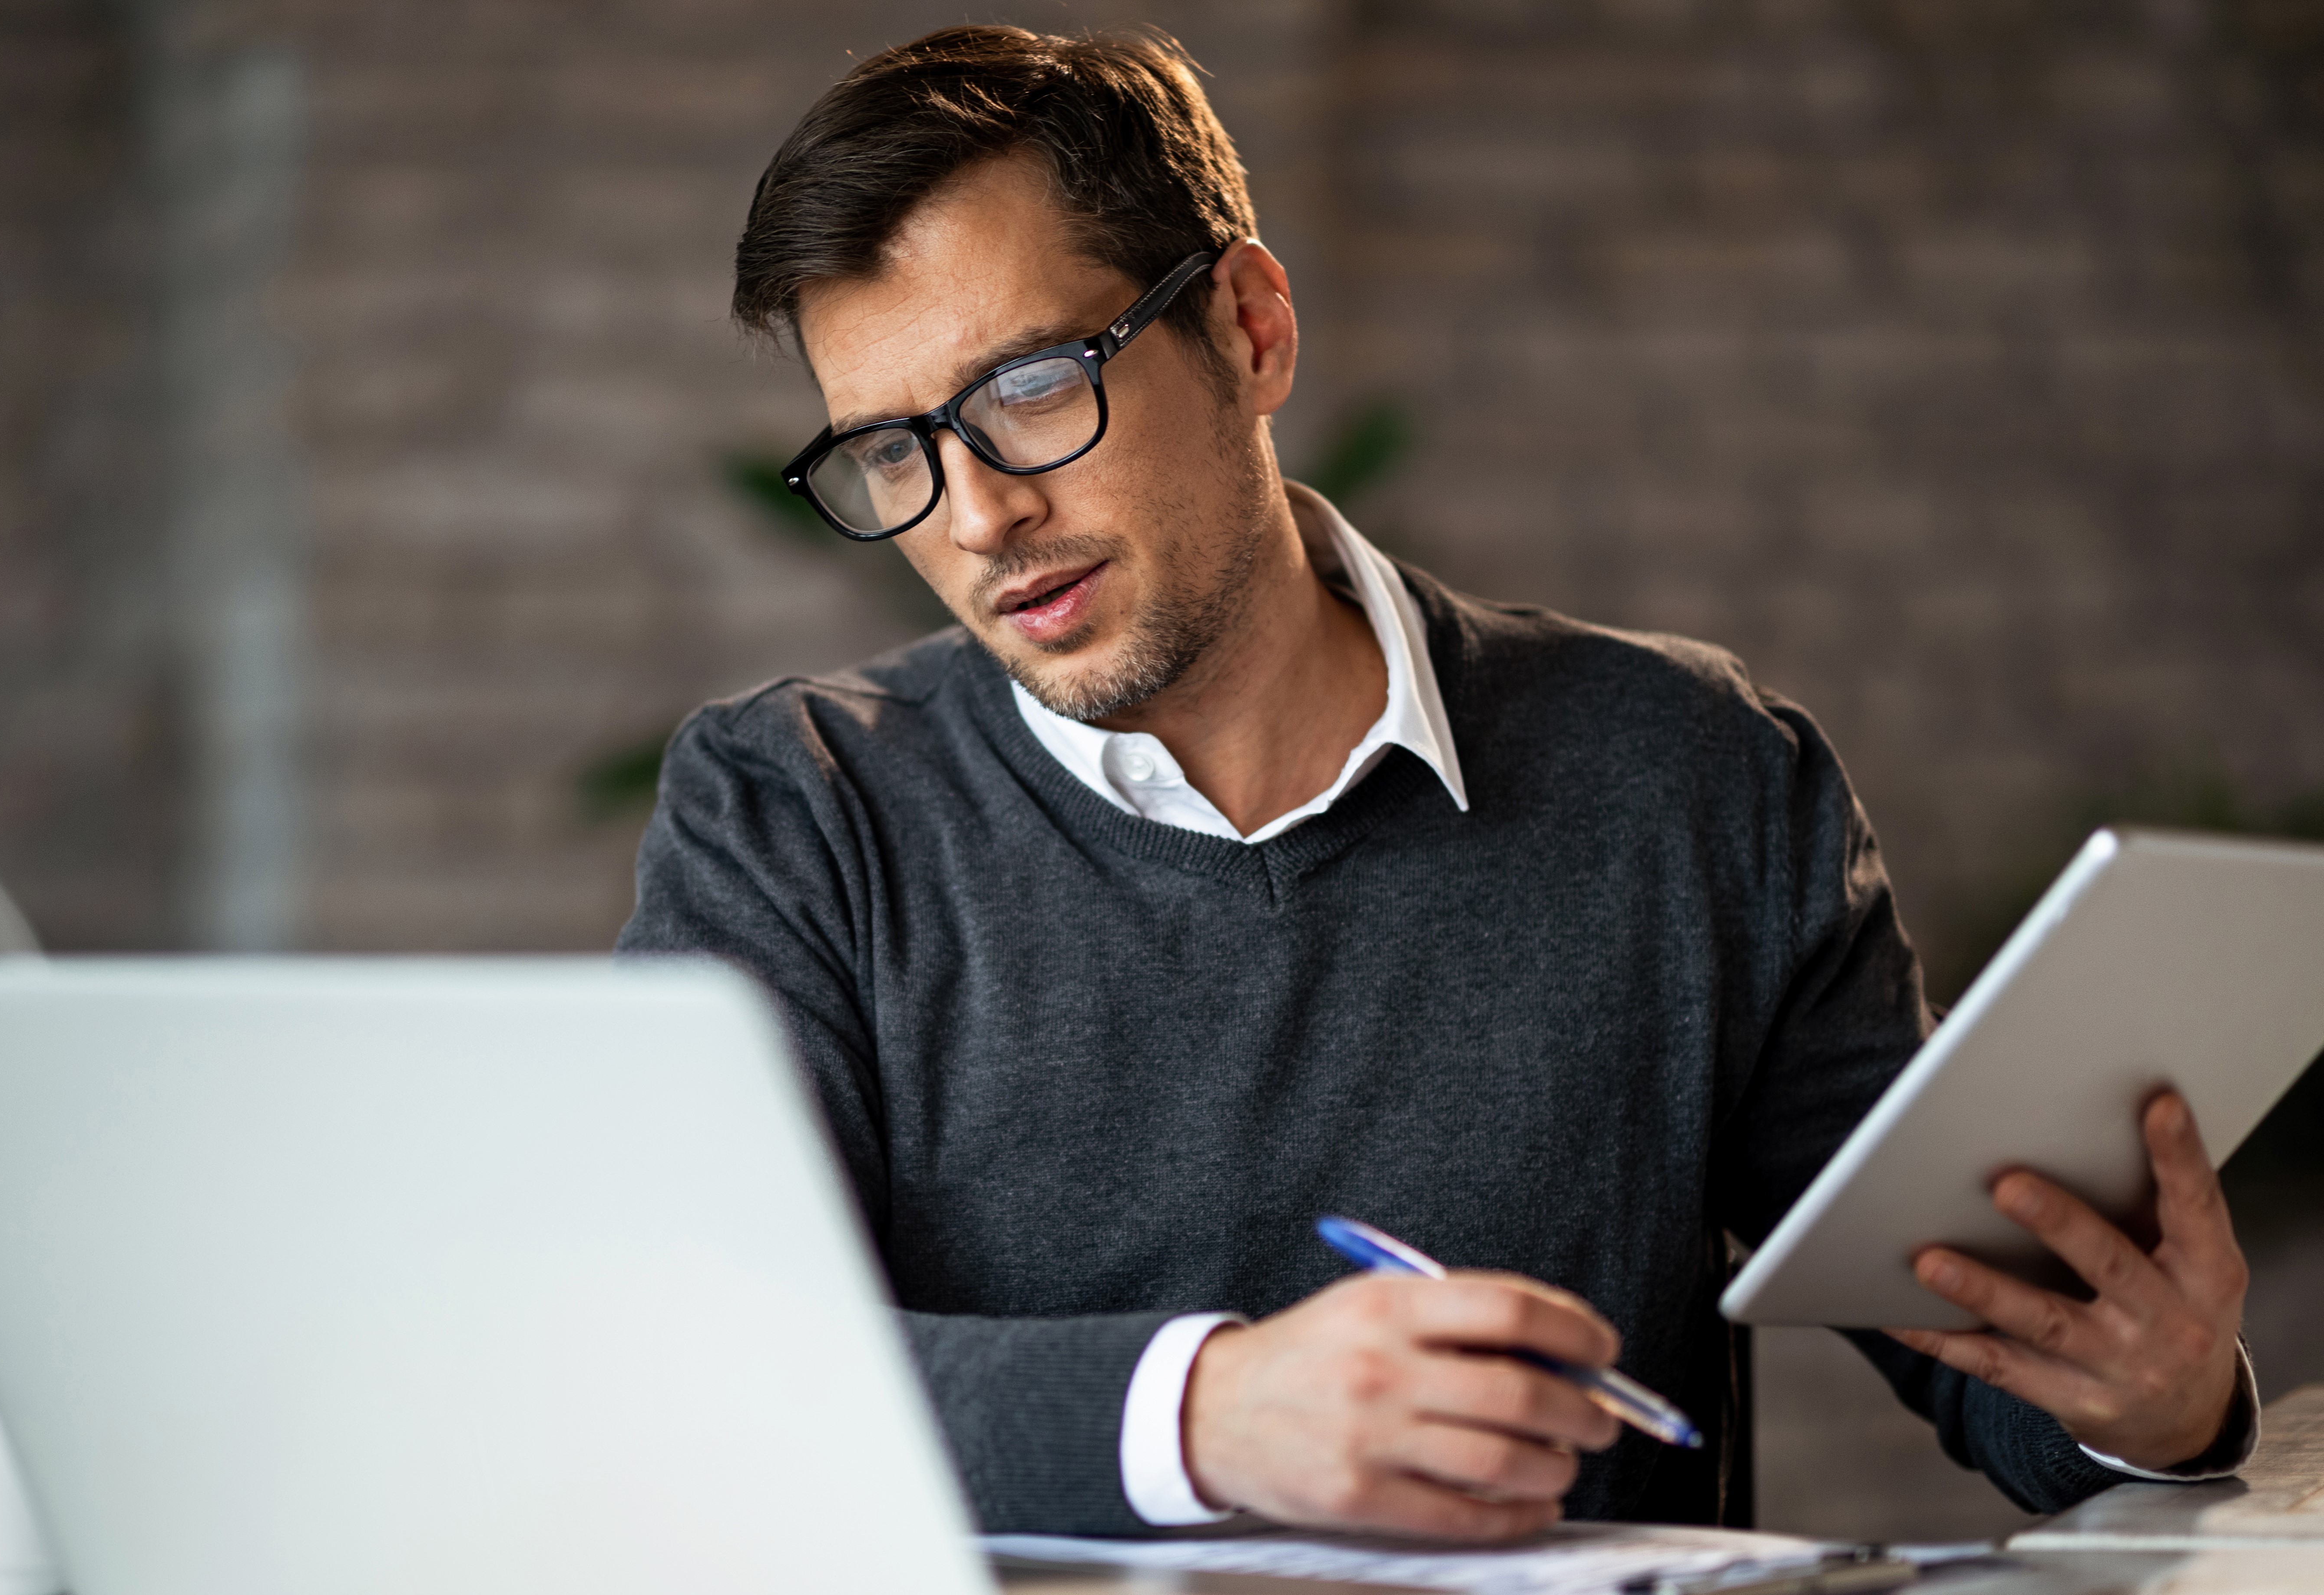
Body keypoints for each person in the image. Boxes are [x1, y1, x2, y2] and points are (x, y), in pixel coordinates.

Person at [619, 25, 2256, 1539]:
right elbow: (679, 1366)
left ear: (1250, 331)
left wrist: (2155, 1403)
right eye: (894, 451)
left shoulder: (1695, 778)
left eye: (1032, 389)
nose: (974, 519)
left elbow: (1990, 1357)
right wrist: (1206, 1416)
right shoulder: (794, 811)